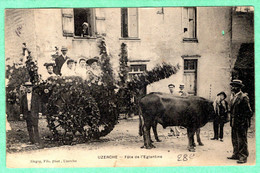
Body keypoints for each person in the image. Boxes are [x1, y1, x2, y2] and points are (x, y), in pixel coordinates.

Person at [227, 79, 253, 164]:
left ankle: (243, 157)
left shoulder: (244, 97)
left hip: (241, 123)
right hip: (234, 122)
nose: (232, 88)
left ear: (238, 87)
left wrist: (242, 121)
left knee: (242, 140)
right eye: (232, 86)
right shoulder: (233, 97)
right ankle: (236, 154)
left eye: (234, 86)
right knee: (234, 139)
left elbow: (249, 112)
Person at [20, 82, 43, 147]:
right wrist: (21, 114)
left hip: (34, 113)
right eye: (27, 87)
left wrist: (40, 112)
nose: (28, 88)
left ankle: (37, 141)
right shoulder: (23, 97)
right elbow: (21, 106)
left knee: (35, 127)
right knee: (29, 127)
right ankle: (32, 140)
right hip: (27, 114)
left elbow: (39, 104)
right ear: (25, 88)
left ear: (32, 88)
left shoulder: (36, 96)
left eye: (29, 87)